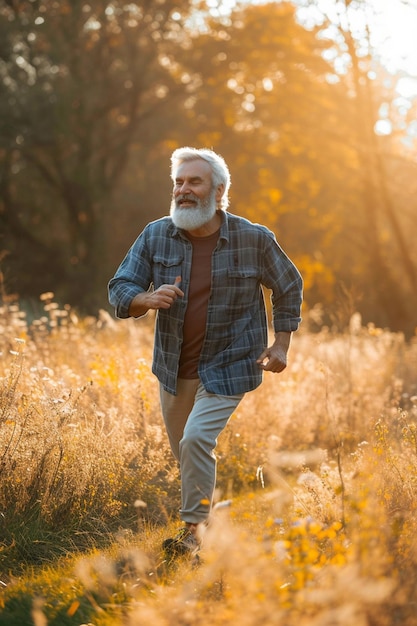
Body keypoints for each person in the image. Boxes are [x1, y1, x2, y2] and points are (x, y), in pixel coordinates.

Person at [108, 147, 303, 558]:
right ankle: (207, 521)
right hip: (173, 365)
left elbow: (288, 285)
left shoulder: (253, 238)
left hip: (230, 363)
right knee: (187, 450)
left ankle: (193, 537)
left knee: (196, 439)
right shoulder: (156, 234)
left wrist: (282, 342)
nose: (183, 190)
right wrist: (146, 297)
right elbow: (120, 287)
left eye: (194, 182)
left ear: (219, 190)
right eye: (179, 182)